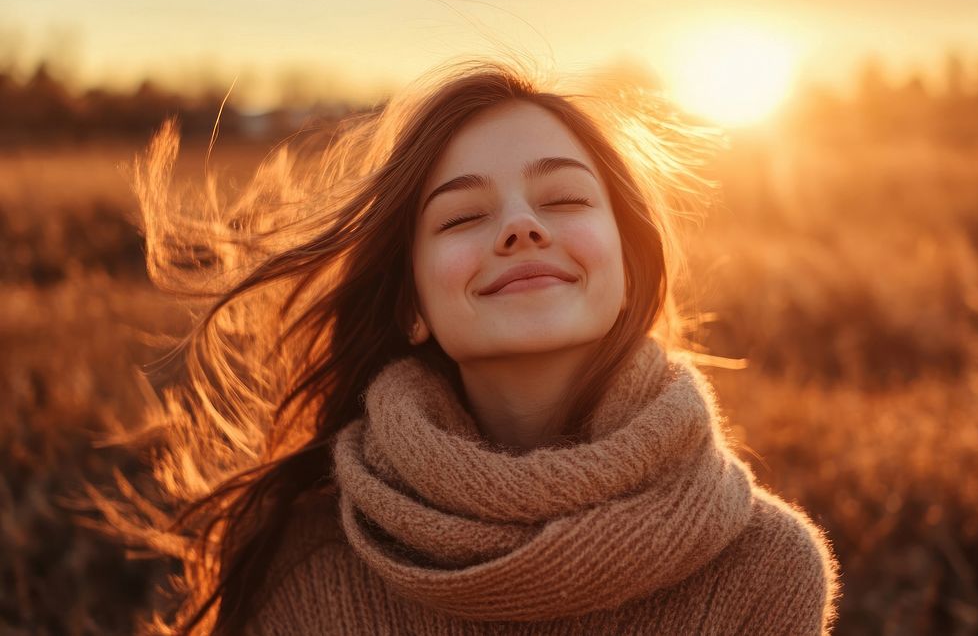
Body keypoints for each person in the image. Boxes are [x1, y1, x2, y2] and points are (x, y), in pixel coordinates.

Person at [105, 57, 840, 634]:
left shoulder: (764, 565)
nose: (521, 227)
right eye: (462, 217)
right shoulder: (303, 561)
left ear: (627, 273)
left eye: (564, 199)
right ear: (412, 304)